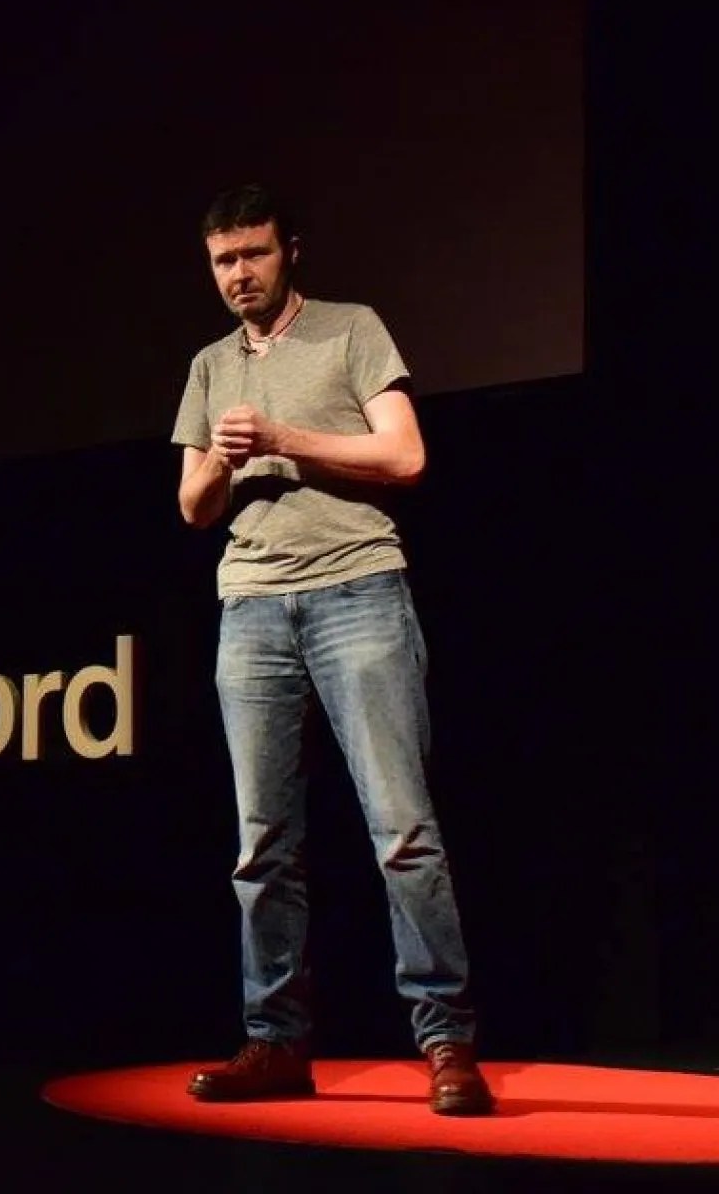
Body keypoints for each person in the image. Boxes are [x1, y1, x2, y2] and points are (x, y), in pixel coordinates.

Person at [170, 183, 494, 1116]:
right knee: (261, 844)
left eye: (255, 255)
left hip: (359, 590)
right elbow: (192, 509)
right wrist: (228, 459)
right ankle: (274, 1043)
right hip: (252, 607)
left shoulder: (352, 331)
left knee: (402, 832)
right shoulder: (207, 367)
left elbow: (406, 457)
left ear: (290, 252)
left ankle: (446, 1044)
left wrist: (281, 437)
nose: (240, 275)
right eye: (225, 261)